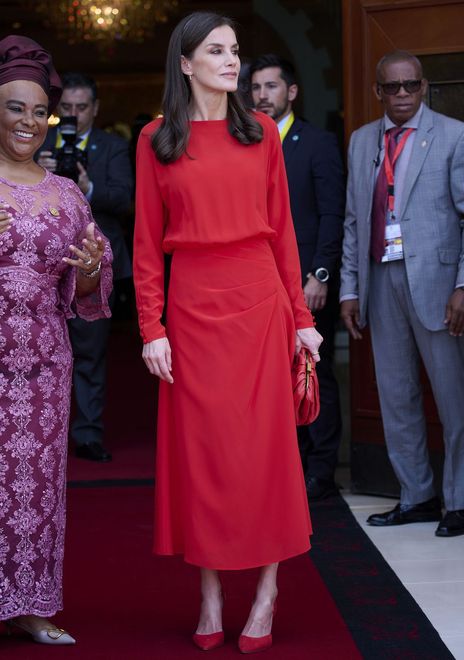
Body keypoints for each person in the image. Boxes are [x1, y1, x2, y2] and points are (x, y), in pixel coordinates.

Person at [133, 11, 322, 653]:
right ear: (185, 64)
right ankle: (211, 592)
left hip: (260, 302)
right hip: (190, 309)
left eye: (235, 49)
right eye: (216, 50)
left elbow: (285, 234)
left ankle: (266, 591)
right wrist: (149, 327)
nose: (231, 60)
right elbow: (145, 245)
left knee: (266, 452)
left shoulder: (263, 131)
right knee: (204, 457)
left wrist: (302, 319)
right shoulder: (156, 139)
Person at [0, 36, 112, 643]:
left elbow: (88, 285)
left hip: (43, 362)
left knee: (36, 486)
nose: (28, 121)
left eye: (38, 111)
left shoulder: (65, 192)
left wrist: (92, 267)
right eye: (15, 107)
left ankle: (31, 605)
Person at [340, 50, 464, 537]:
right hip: (381, 276)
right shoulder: (361, 141)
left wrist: (461, 283)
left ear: (424, 86)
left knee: (452, 398)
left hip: (437, 284)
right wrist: (349, 289)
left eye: (410, 86)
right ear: (378, 92)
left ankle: (457, 500)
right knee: (396, 395)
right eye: (391, 88)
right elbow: (354, 220)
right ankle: (416, 496)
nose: (402, 96)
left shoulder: (453, 135)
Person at [250, 54, 345, 501]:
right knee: (272, 374)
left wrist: (320, 274)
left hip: (307, 279)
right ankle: (287, 464)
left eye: (271, 87)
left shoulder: (318, 142)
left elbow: (332, 214)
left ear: (291, 92)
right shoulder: (247, 142)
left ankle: (321, 471)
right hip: (260, 280)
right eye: (256, 87)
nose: (262, 95)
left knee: (313, 370)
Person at [38, 73, 133, 462]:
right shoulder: (37, 142)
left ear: (95, 109)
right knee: (40, 352)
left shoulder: (112, 147)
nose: (74, 114)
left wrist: (88, 186)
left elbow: (126, 199)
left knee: (90, 352)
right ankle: (43, 434)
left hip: (93, 262)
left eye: (81, 108)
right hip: (43, 265)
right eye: (68, 108)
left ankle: (88, 433)